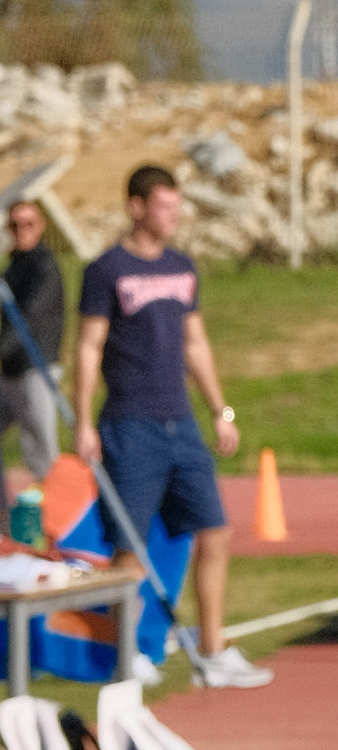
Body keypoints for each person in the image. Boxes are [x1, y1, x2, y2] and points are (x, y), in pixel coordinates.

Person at [71, 162, 271, 690]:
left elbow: (195, 343)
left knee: (217, 532)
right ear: (136, 207)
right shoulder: (106, 270)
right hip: (129, 424)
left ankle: (212, 650)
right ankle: (126, 652)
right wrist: (84, 421)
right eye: (164, 206)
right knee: (129, 549)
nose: (173, 215)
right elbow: (89, 346)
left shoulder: (183, 267)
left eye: (177, 206)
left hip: (180, 422)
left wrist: (220, 410)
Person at [0, 198, 65, 494]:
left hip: (37, 369)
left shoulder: (45, 267)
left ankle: (59, 529)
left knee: (43, 452)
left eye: (28, 223)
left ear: (40, 226)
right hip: (10, 372)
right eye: (15, 224)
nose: (22, 230)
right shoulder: (13, 268)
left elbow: (27, 319)